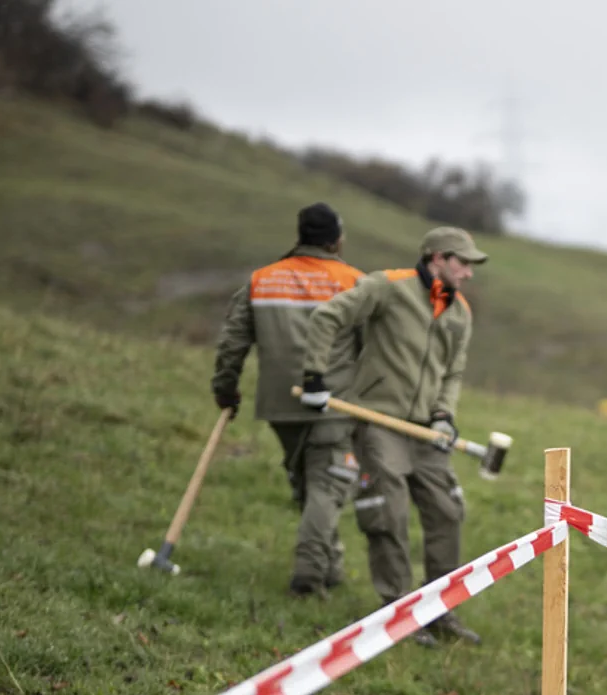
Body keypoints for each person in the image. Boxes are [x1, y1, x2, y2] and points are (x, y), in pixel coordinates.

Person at [299, 225, 488, 647]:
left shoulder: (460, 312)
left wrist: (444, 414)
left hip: (426, 431)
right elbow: (328, 317)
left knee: (447, 512)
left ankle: (439, 611)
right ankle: (398, 615)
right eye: (464, 262)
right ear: (437, 257)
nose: (470, 273)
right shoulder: (388, 286)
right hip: (378, 422)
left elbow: (452, 371)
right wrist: (314, 374)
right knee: (389, 513)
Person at [209, 202, 364, 597]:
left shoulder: (262, 280)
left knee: (309, 484)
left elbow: (233, 342)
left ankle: (331, 566)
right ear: (335, 239)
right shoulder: (354, 282)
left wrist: (226, 389)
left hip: (279, 405)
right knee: (328, 486)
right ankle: (310, 576)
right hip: (335, 403)